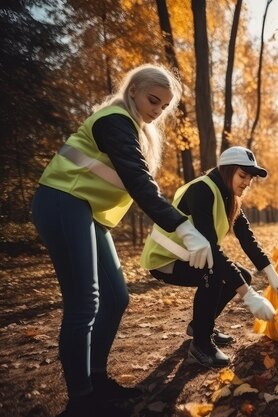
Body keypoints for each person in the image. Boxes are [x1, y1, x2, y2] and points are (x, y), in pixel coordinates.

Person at [31, 64, 213, 417]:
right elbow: (139, 183)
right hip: (62, 201)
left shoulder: (131, 126)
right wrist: (185, 228)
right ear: (133, 91)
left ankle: (96, 380)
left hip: (86, 212)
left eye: (164, 107)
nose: (157, 110)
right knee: (84, 303)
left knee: (115, 297)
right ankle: (81, 401)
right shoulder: (114, 120)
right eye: (153, 100)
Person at [141, 146, 278, 369]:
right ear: (227, 170)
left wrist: (271, 274)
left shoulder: (230, 196)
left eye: (250, 178)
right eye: (243, 175)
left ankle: (200, 326)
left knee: (243, 275)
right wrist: (249, 297)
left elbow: (246, 238)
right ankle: (201, 345)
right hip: (165, 259)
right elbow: (211, 250)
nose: (247, 183)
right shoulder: (202, 190)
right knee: (214, 273)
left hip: (193, 257)